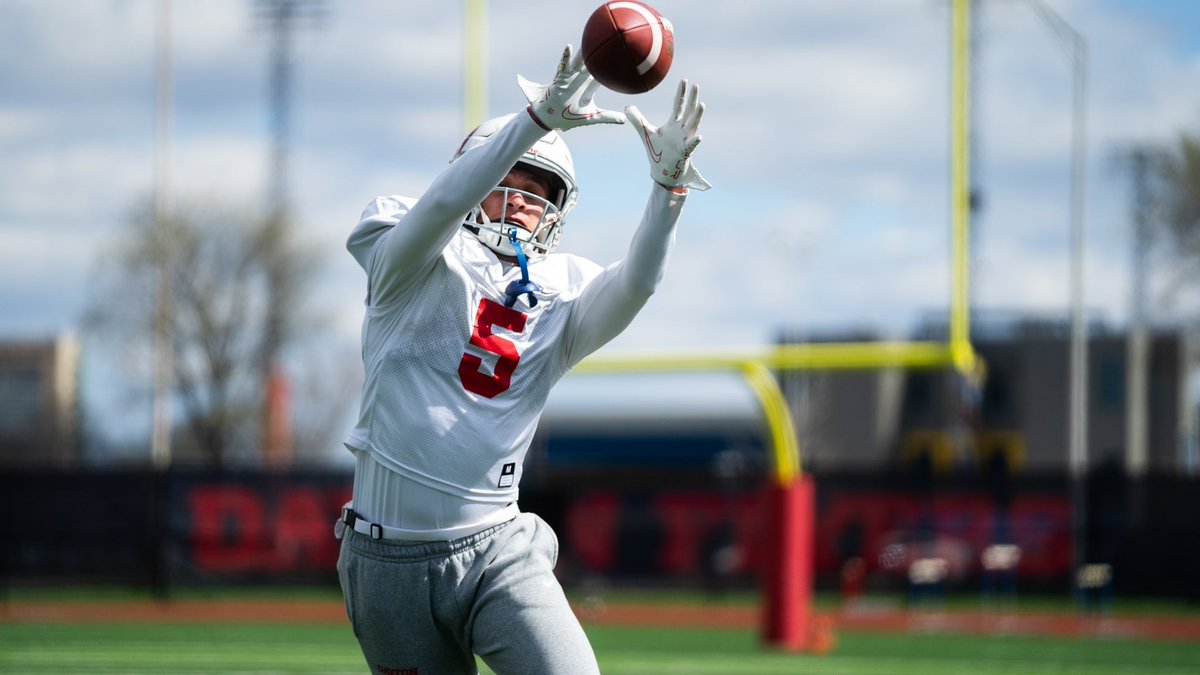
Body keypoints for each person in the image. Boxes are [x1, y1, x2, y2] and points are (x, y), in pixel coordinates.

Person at [334, 43, 709, 675]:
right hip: (385, 557)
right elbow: (441, 209)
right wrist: (529, 127)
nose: (521, 200)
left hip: (497, 547)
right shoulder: (411, 253)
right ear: (478, 173)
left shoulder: (561, 290)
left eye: (541, 191)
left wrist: (667, 192)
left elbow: (636, 286)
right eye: (508, 180)